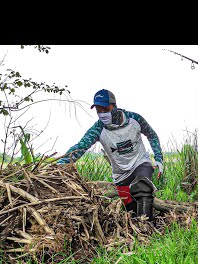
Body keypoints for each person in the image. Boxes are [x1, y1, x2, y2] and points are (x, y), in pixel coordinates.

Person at [57, 89, 163, 220]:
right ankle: (138, 225)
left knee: (142, 187)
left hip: (140, 163)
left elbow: (152, 135)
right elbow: (79, 148)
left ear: (114, 106)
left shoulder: (134, 119)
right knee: (131, 211)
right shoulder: (98, 129)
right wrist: (59, 164)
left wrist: (158, 158)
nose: (102, 114)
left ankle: (148, 227)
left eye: (105, 109)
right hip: (120, 175)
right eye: (98, 111)